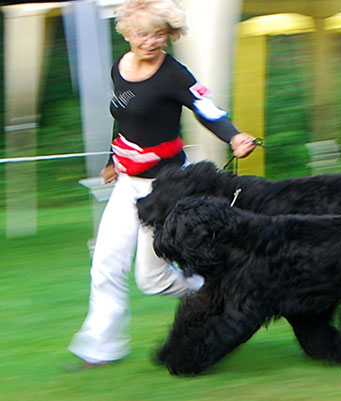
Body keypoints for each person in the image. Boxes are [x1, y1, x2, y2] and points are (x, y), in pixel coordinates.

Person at [68, 0, 256, 367]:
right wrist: (111, 160)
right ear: (127, 33)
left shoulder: (174, 74)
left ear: (169, 35)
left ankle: (221, 292)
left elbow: (207, 110)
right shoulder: (120, 67)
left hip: (166, 189)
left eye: (159, 34)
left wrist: (233, 136)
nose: (151, 41)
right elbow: (124, 119)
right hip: (128, 182)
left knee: (152, 280)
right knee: (105, 263)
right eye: (142, 34)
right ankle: (101, 348)